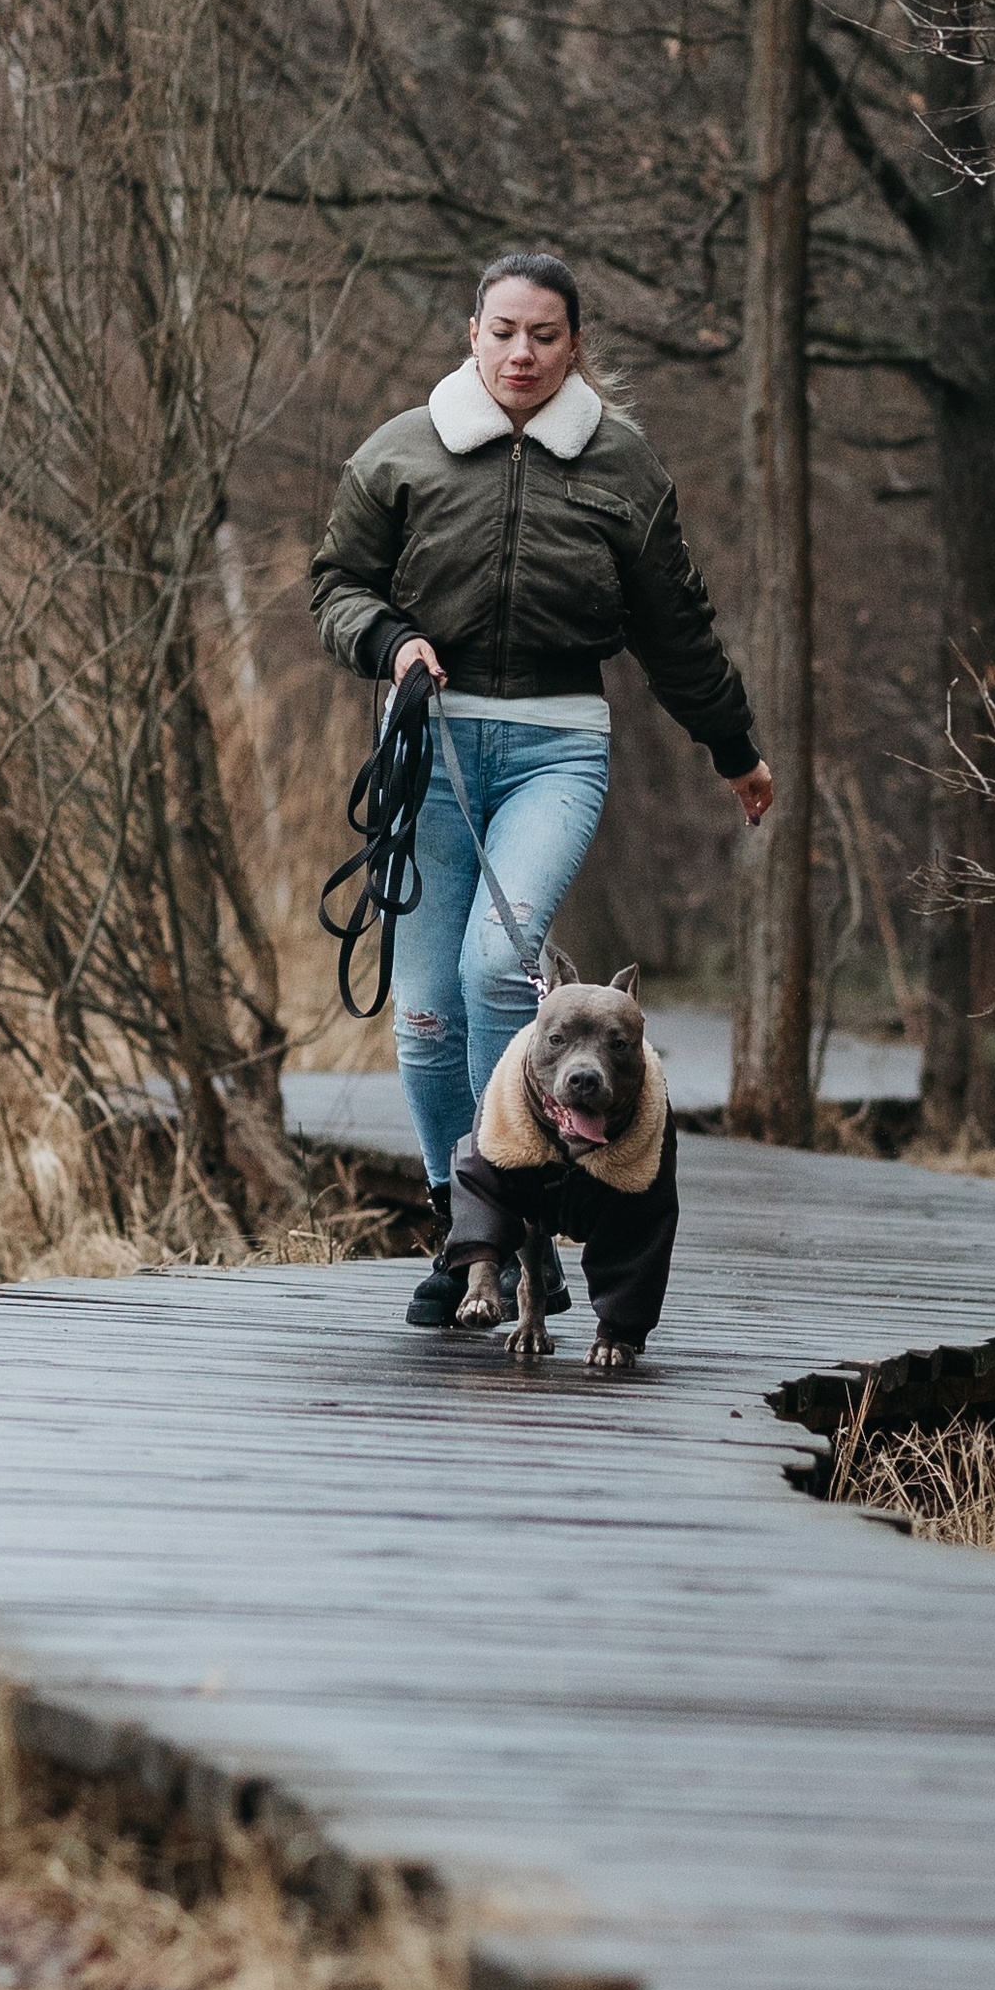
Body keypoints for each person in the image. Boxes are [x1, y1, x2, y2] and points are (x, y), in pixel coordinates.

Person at [308, 253, 772, 1328]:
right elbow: (335, 584)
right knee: (424, 1017)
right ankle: (473, 1232)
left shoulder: (619, 461)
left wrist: (731, 746)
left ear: (575, 344)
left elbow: (674, 623)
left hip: (557, 745)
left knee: (493, 966)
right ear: (471, 332)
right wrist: (389, 638)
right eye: (505, 329)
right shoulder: (399, 452)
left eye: (546, 334)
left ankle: (515, 1209)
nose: (523, 352)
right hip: (428, 746)